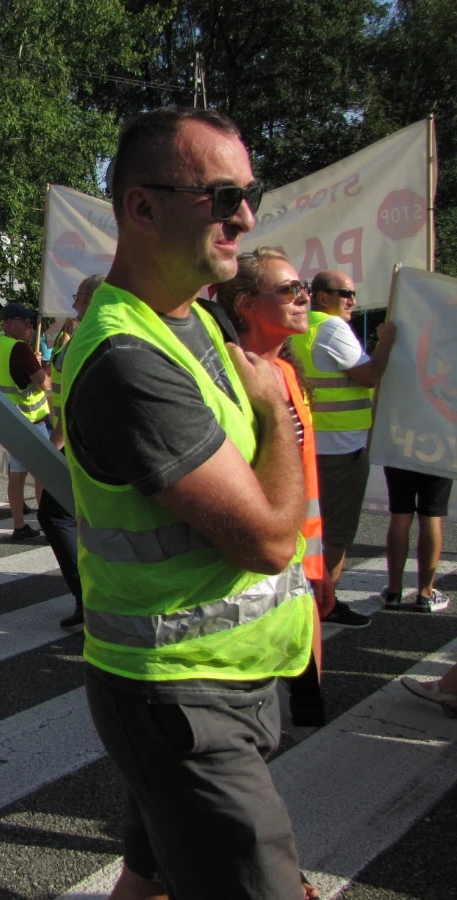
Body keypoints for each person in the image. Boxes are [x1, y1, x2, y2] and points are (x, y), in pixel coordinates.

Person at [65, 107, 315, 900]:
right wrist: (277, 410)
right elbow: (271, 539)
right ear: (142, 208)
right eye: (220, 196)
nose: (245, 215)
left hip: (220, 683)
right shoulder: (127, 360)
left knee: (147, 878)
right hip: (179, 697)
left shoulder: (193, 319)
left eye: (249, 192)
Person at [215, 248, 337, 726]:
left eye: (303, 287)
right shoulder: (223, 376)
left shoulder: (287, 374)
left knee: (305, 719)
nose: (305, 297)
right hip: (246, 573)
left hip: (297, 569)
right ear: (245, 304)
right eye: (289, 290)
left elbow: (305, 482)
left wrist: (316, 566)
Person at [287, 270, 397, 608]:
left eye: (352, 293)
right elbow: (369, 374)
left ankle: (306, 600)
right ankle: (325, 603)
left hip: (308, 443)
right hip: (341, 448)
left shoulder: (299, 327)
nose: (352, 300)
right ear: (322, 297)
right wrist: (386, 342)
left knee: (307, 529)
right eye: (344, 293)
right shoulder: (332, 327)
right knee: (337, 531)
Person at [40, 273, 104, 631]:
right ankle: (88, 600)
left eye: (79, 297)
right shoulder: (83, 337)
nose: (74, 303)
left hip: (83, 446)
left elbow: (79, 404)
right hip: (80, 442)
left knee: (57, 516)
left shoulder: (92, 340)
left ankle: (89, 599)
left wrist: (54, 448)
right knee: (66, 518)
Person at [0, 301, 49, 540]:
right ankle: (46, 522)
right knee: (45, 475)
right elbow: (44, 383)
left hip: (11, 422)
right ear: (10, 324)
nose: (30, 327)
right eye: (26, 322)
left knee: (17, 475)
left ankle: (19, 525)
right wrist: (42, 363)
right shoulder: (21, 349)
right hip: (32, 422)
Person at [381, 467, 452, 611]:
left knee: (400, 513)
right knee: (431, 515)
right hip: (439, 451)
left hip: (400, 450)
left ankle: (393, 592)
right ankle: (425, 594)